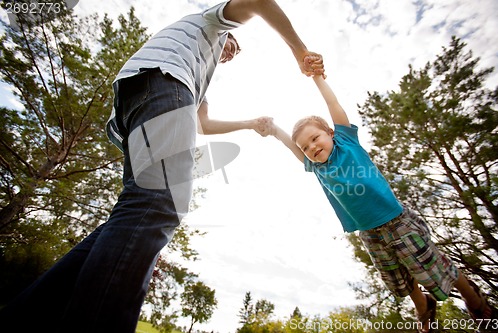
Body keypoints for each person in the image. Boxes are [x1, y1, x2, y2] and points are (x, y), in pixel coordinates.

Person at [0, 1, 324, 332]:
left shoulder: (200, 73)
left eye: (235, 54)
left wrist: (249, 123)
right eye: (233, 45)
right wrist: (300, 51)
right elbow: (257, 3)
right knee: (158, 202)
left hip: (145, 94)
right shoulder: (210, 24)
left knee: (137, 210)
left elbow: (203, 124)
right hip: (163, 82)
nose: (231, 52)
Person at [262, 72, 498, 333]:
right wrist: (274, 131)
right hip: (369, 233)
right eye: (306, 147)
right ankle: (423, 306)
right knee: (398, 280)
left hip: (397, 221)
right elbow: (291, 146)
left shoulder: (346, 143)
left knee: (431, 264)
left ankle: (472, 298)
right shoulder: (317, 168)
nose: (312, 147)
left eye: (315, 138)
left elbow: (334, 105)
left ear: (330, 132)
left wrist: (317, 77)